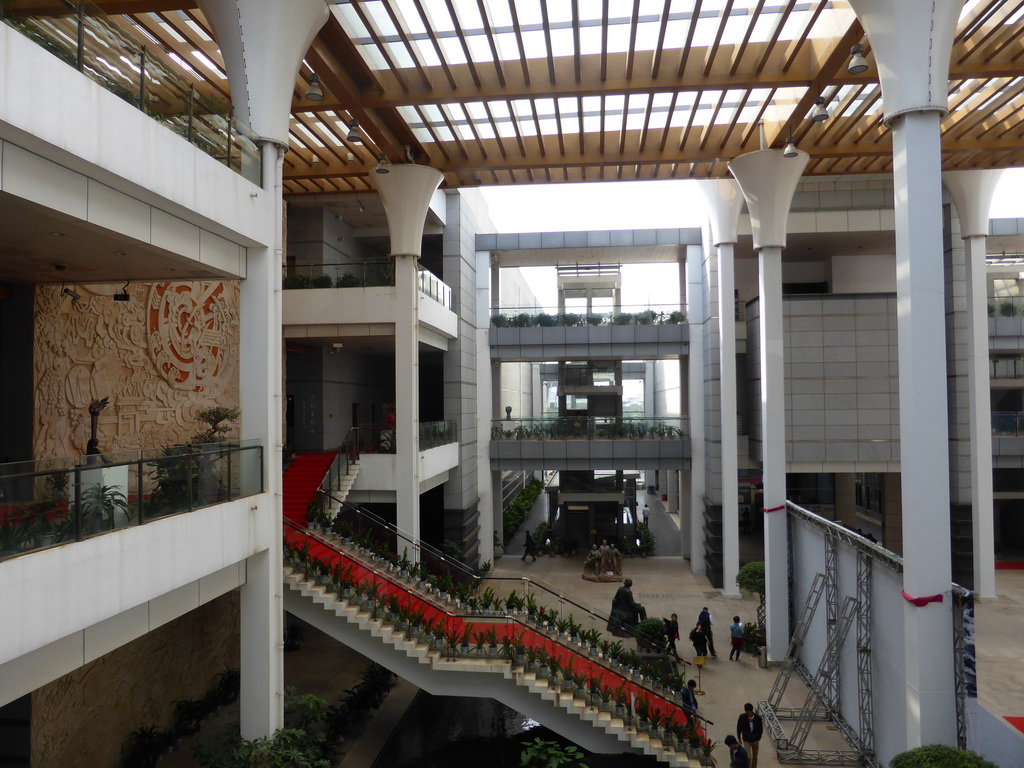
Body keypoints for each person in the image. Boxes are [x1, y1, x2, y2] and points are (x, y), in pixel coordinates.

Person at [735, 702, 763, 768]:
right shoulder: (742, 717)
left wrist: (758, 738)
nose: (747, 713)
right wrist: (739, 737)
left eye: (748, 711)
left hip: (755, 740)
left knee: (755, 757)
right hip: (746, 740)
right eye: (746, 711)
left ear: (751, 711)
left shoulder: (758, 718)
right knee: (748, 757)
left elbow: (760, 729)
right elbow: (739, 727)